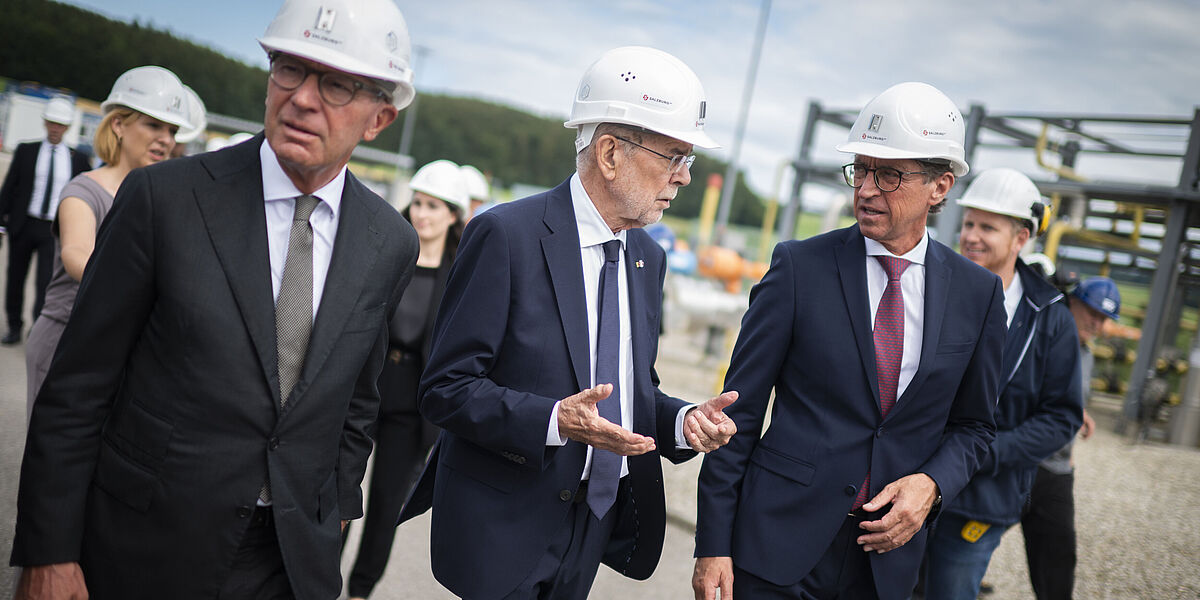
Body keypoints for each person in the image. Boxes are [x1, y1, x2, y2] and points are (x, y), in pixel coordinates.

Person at [11, 0, 420, 598]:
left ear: (379, 118)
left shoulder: (390, 242)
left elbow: (358, 398)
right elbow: (78, 386)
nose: (303, 98)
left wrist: (335, 503)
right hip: (145, 544)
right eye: (290, 69)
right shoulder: (164, 199)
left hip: (288, 560)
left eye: (336, 85)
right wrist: (50, 550)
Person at [399, 46, 738, 600]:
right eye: (674, 156)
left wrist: (683, 423)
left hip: (592, 524)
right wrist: (555, 420)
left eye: (689, 160)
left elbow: (632, 390)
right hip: (505, 521)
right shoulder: (506, 236)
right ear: (610, 153)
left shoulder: (646, 258)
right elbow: (445, 389)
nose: (683, 178)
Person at [693, 81, 1006, 600]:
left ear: (940, 186)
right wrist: (713, 544)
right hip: (774, 548)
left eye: (888, 175)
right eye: (860, 170)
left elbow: (974, 426)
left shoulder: (978, 294)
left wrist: (931, 485)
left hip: (885, 564)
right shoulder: (798, 268)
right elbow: (737, 414)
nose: (865, 189)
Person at [922, 168, 1083, 599]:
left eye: (987, 227)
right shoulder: (930, 287)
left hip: (982, 496)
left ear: (1021, 238)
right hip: (907, 479)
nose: (971, 236)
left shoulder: (1050, 319)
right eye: (968, 224)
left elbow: (1060, 417)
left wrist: (980, 453)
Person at [23, 67, 198, 421]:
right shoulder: (83, 191)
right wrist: (149, 284)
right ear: (118, 124)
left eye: (172, 131)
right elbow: (76, 254)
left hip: (123, 347)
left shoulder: (162, 199)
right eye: (153, 125)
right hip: (67, 339)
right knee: (54, 449)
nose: (165, 139)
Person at [344, 159, 468, 600]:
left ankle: (359, 591)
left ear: (452, 215)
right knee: (338, 494)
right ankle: (318, 582)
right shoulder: (389, 253)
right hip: (364, 392)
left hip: (412, 408)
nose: (421, 213)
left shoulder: (461, 271)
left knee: (384, 509)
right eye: (417, 203)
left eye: (433, 206)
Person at [1021, 276, 1120, 600]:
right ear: (1072, 302)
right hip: (1022, 460)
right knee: (969, 540)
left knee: (1058, 556)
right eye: (1092, 313)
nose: (1097, 323)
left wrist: (1080, 414)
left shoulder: (1086, 353)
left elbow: (1067, 396)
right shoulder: (1040, 338)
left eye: (1104, 318)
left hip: (1057, 470)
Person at [0, 96, 91, 345]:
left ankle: (37, 329)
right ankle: (14, 326)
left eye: (60, 125)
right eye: (52, 123)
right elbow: (9, 188)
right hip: (23, 224)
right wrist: (1, 223)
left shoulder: (78, 159)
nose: (55, 128)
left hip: (54, 229)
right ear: (45, 123)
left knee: (45, 282)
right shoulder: (26, 151)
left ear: (67, 127)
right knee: (15, 278)